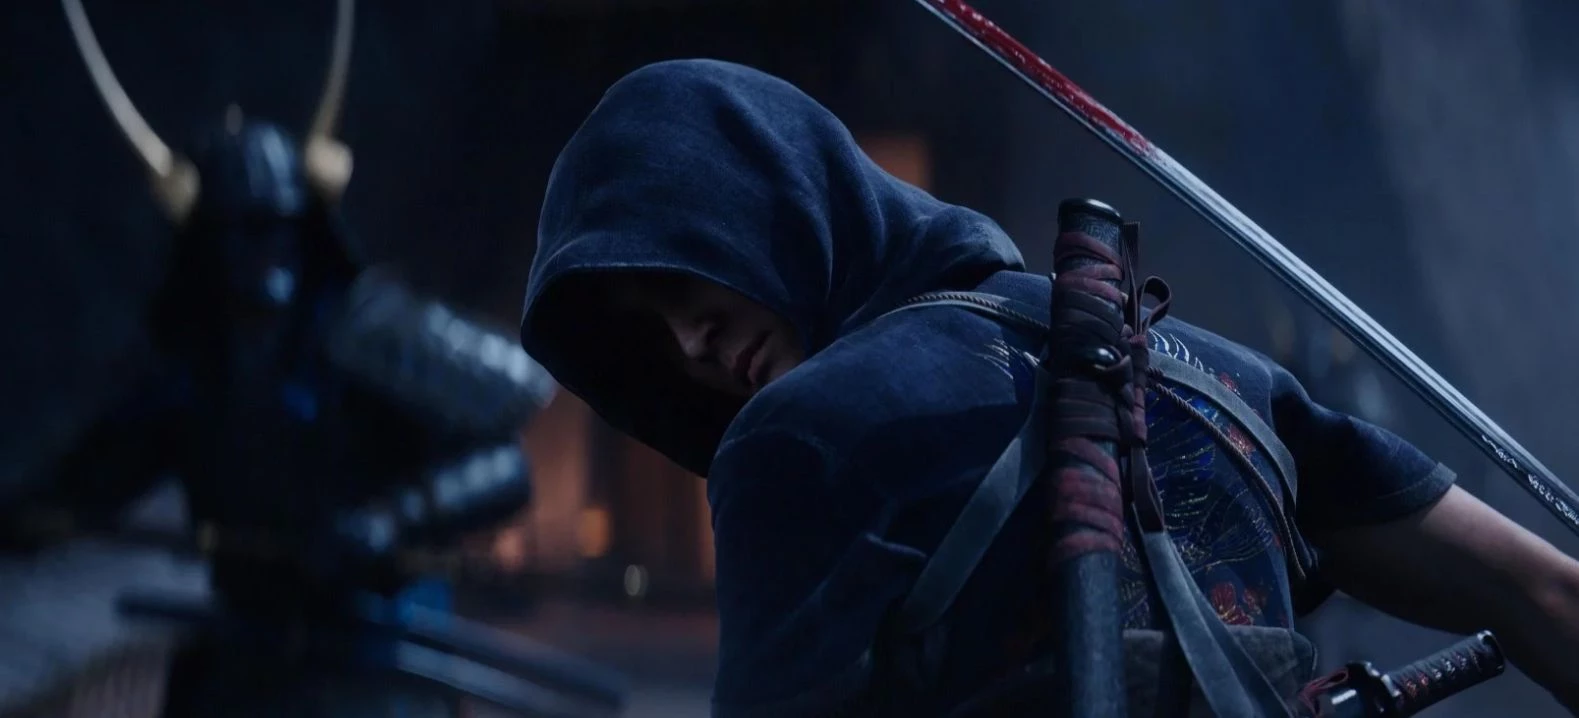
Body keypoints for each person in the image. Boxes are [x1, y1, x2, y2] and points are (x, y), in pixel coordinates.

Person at [518, 59, 1579, 716]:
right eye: (649, 331)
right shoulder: (1213, 375)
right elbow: (1544, 593)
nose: (689, 341)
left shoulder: (796, 441)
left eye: (681, 277)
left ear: (768, 193)